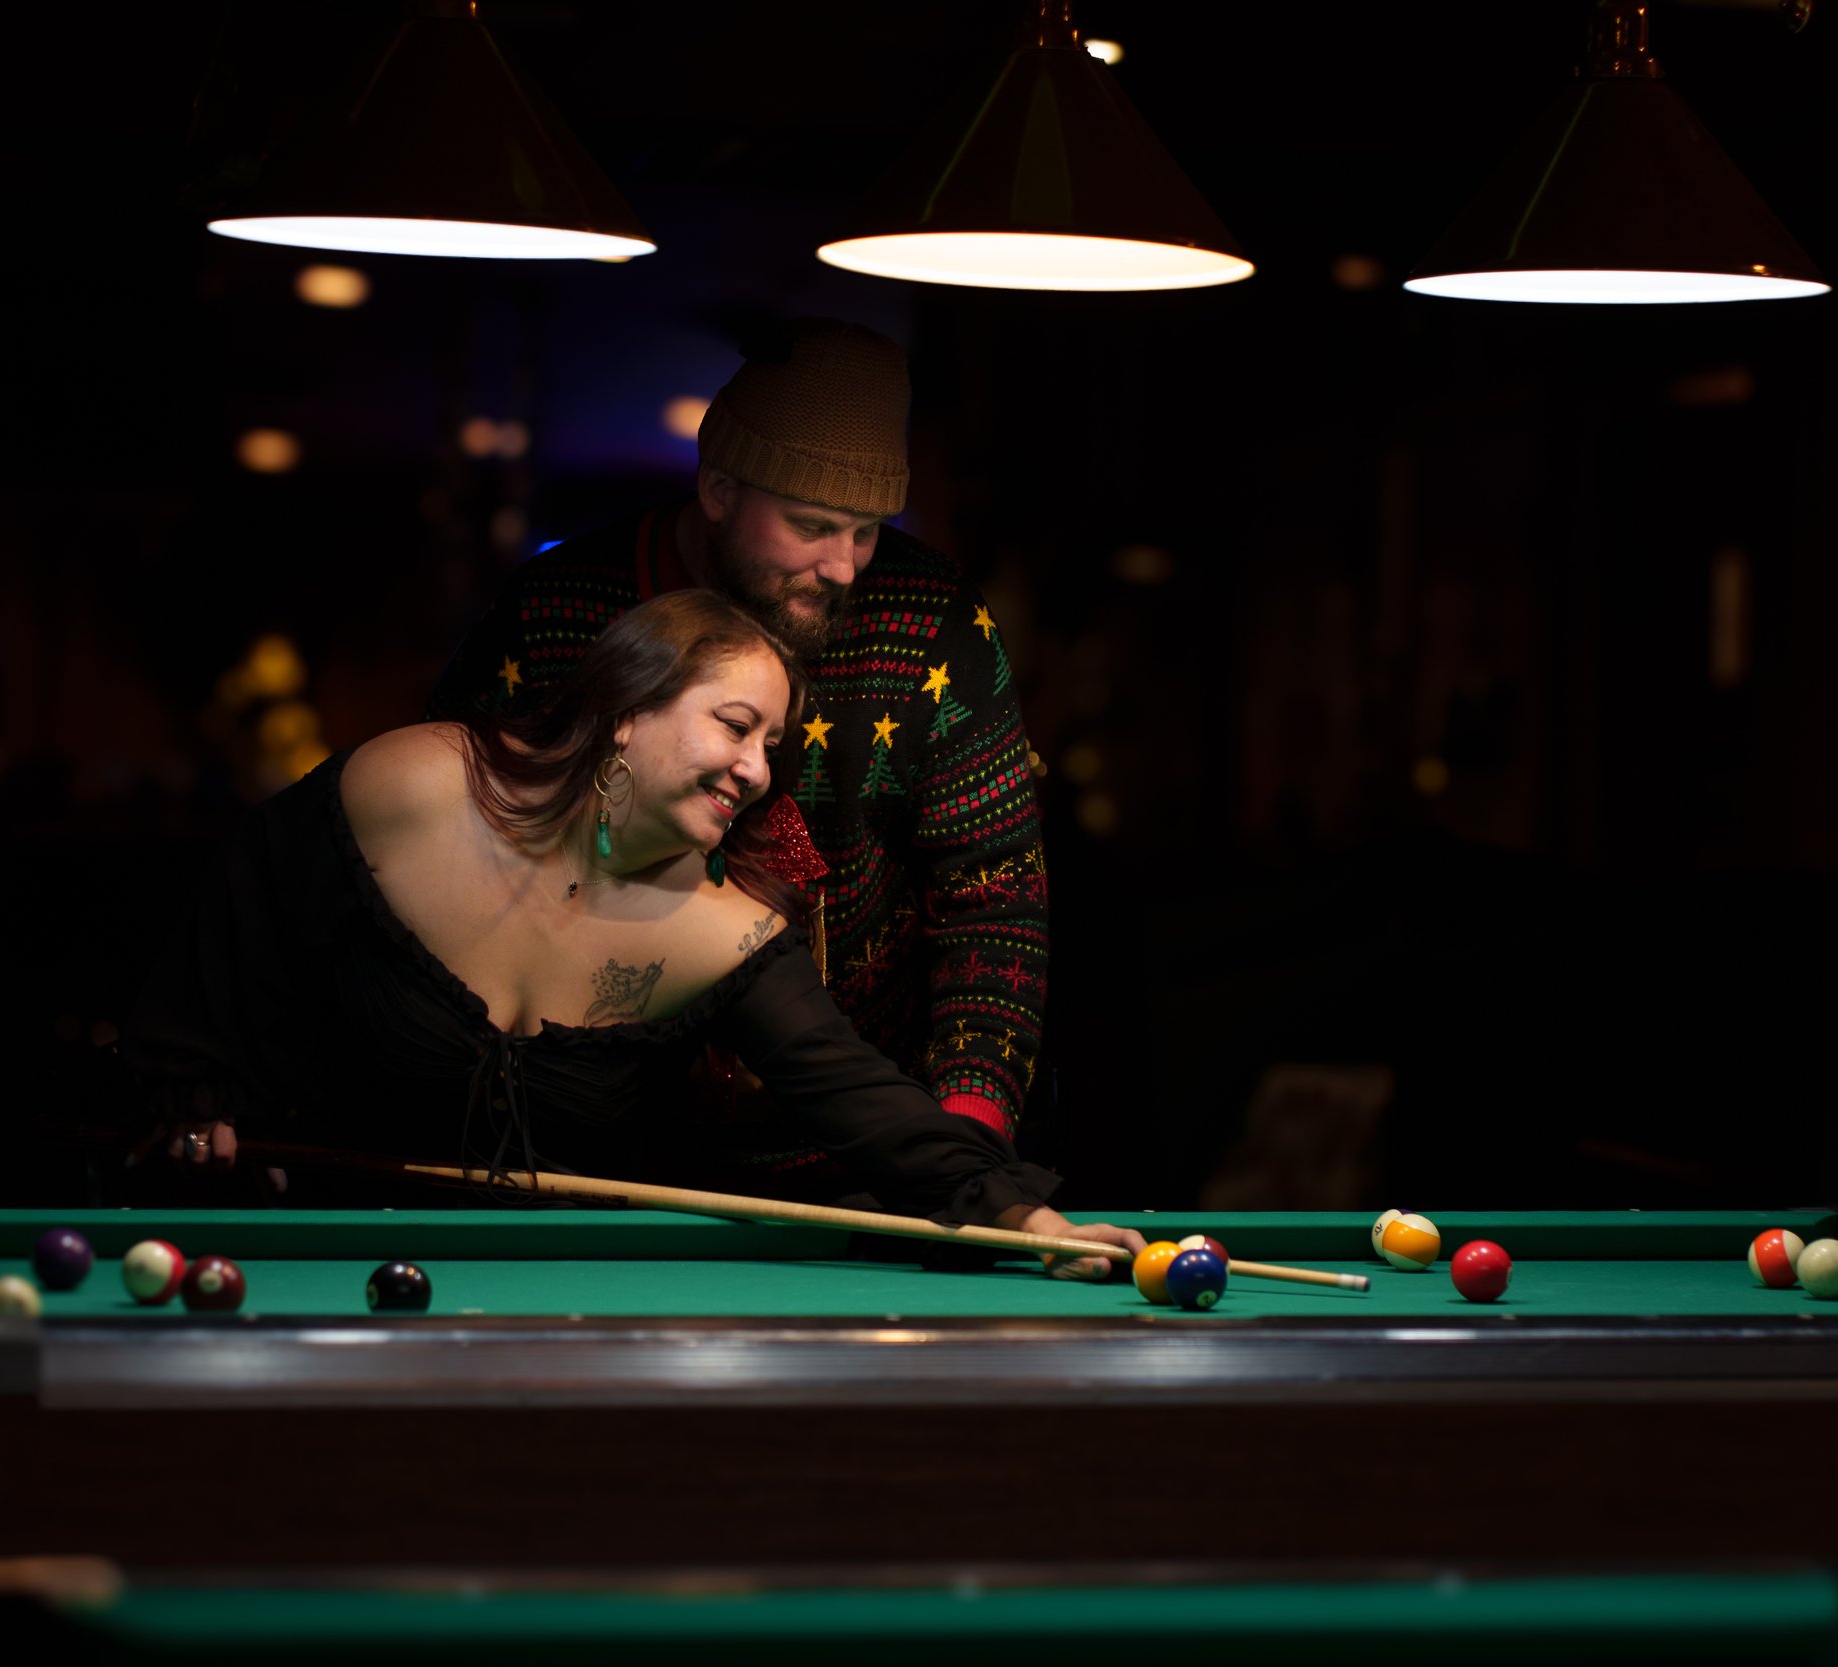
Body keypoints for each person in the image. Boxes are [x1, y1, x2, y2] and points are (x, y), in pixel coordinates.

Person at [121, 591, 1142, 1277]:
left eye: (772, 745)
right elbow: (237, 920)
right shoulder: (418, 784)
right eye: (735, 725)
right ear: (626, 710)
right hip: (320, 1265)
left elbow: (863, 1098)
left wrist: (1021, 1216)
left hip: (568, 1307)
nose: (757, 769)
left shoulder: (726, 935)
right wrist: (198, 1090)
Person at [427, 318, 1049, 1199]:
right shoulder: (557, 609)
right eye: (812, 525)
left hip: (872, 1157)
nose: (844, 566)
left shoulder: (933, 619)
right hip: (588, 1153)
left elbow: (995, 897)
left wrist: (965, 1147)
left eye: (867, 530)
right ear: (718, 488)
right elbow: (449, 863)